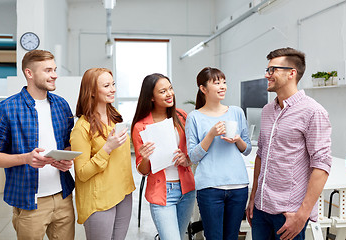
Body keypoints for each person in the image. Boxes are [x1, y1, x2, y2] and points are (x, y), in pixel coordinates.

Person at [0, 50, 75, 239]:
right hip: (29, 202)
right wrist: (26, 158)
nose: (54, 75)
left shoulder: (62, 105)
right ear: (29, 73)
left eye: (55, 69)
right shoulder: (7, 108)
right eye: (48, 70)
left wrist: (66, 159)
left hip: (63, 196)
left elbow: (67, 145)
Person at [245, 47, 332, 240]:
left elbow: (322, 165)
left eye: (272, 70)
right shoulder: (267, 110)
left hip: (289, 213)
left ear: (291, 73)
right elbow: (261, 155)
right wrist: (253, 198)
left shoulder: (313, 112)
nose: (266, 75)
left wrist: (302, 215)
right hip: (260, 208)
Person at [185, 67, 252, 240]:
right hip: (209, 187)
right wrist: (211, 135)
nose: (223, 86)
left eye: (224, 82)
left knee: (232, 237)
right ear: (203, 89)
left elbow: (247, 149)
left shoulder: (236, 112)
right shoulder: (194, 117)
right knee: (213, 236)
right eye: (217, 83)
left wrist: (237, 139)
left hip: (238, 186)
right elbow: (193, 156)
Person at [70, 68, 135, 240]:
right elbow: (82, 173)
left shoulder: (116, 117)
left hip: (124, 193)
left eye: (113, 84)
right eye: (106, 86)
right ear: (91, 91)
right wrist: (106, 148)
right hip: (99, 200)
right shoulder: (81, 128)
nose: (113, 89)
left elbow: (121, 157)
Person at [131, 73, 195, 240]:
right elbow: (142, 170)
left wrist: (186, 159)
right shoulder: (141, 126)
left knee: (179, 236)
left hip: (186, 190)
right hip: (162, 191)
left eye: (170, 89)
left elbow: (193, 150)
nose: (169, 94)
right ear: (151, 97)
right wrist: (145, 157)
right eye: (163, 91)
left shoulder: (181, 116)